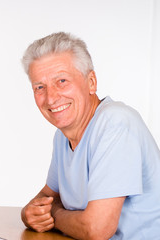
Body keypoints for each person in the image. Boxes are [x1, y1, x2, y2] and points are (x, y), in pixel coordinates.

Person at [20, 32, 160, 239]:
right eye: (40, 87)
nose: (51, 98)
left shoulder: (115, 123)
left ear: (91, 82)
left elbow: (96, 229)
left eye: (62, 81)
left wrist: (54, 214)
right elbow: (47, 197)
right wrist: (28, 214)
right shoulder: (62, 137)